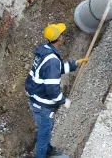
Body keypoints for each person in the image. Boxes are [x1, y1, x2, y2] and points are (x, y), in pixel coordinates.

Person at [25, 23, 88, 158]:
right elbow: (52, 90)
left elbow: (55, 70)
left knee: (46, 129)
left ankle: (47, 150)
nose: (63, 36)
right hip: (43, 105)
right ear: (59, 38)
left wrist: (75, 64)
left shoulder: (45, 50)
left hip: (36, 100)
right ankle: (42, 153)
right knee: (43, 135)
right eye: (61, 34)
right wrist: (63, 101)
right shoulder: (52, 60)